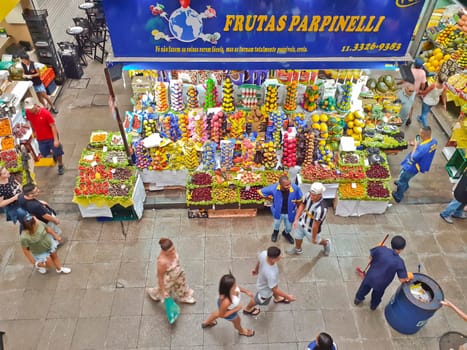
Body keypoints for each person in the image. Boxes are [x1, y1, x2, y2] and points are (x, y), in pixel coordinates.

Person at [354, 235, 412, 310]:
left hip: (370, 277)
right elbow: (402, 279)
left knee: (363, 289)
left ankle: (358, 299)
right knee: (377, 295)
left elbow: (371, 257)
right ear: (401, 249)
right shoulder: (399, 262)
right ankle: (373, 306)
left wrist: (378, 247)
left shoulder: (381, 249)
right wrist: (409, 276)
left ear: (391, 244)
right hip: (381, 284)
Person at [243, 246, 296, 315]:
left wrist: (256, 270)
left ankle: (277, 298)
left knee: (273, 287)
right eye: (278, 257)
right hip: (264, 290)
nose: (280, 257)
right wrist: (288, 297)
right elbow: (274, 289)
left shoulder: (264, 253)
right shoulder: (271, 274)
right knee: (257, 300)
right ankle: (247, 309)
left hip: (267, 282)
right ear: (273, 260)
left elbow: (259, 261)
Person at [201, 273, 255, 337]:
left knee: (218, 312)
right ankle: (241, 331)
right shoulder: (227, 301)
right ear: (228, 289)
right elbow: (222, 315)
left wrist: (246, 291)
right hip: (229, 311)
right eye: (234, 286)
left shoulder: (231, 289)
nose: (236, 286)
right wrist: (236, 309)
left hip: (225, 307)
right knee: (237, 320)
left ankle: (206, 322)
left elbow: (238, 288)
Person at [392, 126, 437, 203]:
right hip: (419, 165)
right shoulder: (434, 141)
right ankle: (404, 185)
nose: (419, 134)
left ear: (424, 134)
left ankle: (398, 195)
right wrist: (418, 145)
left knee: (403, 178)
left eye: (420, 133)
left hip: (411, 166)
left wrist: (416, 145)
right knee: (405, 178)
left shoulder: (423, 148)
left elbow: (413, 157)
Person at [147, 238, 196, 304]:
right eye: (170, 251)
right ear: (164, 251)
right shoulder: (162, 262)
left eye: (173, 248)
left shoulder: (173, 252)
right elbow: (160, 277)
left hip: (178, 274)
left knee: (181, 285)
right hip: (169, 279)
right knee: (163, 292)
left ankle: (184, 297)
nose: (173, 252)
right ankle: (154, 293)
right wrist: (163, 291)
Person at [287, 182, 331, 256]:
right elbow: (302, 205)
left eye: (314, 195)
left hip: (311, 229)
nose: (311, 196)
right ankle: (298, 249)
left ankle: (326, 243)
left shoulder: (322, 209)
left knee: (317, 241)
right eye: (311, 193)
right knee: (297, 236)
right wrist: (296, 219)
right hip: (302, 222)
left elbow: (315, 225)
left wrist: (313, 238)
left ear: (320, 195)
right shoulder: (308, 195)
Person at [24, 97, 65, 175]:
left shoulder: (45, 113)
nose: (29, 110)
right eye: (28, 109)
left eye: (31, 108)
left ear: (35, 105)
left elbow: (53, 126)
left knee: (58, 151)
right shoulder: (28, 112)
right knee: (44, 152)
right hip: (40, 138)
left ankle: (60, 165)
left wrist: (56, 140)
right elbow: (31, 122)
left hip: (51, 137)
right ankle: (54, 153)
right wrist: (34, 131)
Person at [258, 175, 303, 243]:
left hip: (290, 213)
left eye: (290, 183)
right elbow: (261, 191)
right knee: (276, 224)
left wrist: (298, 206)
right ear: (280, 185)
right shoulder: (274, 188)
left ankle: (286, 233)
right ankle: (275, 233)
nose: (289, 186)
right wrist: (269, 199)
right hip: (278, 212)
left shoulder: (295, 188)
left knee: (289, 227)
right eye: (286, 185)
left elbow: (300, 199)